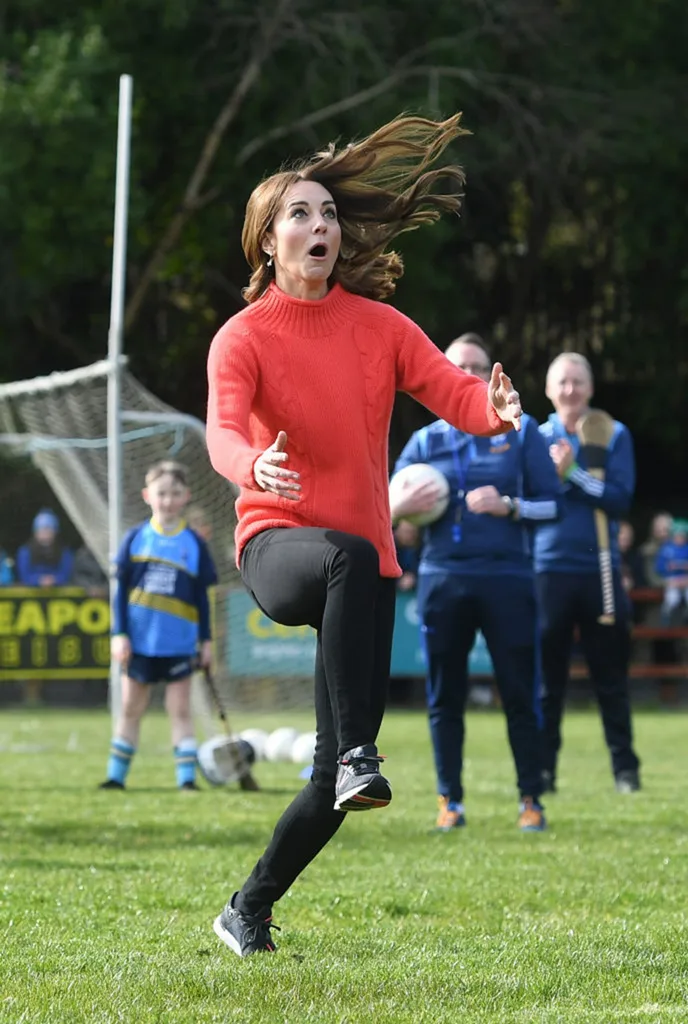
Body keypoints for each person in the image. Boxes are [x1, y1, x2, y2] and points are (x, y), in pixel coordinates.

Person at [205, 114, 523, 957]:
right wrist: (251, 470)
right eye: (300, 215)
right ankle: (358, 753)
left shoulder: (379, 325)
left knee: (332, 788)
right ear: (267, 242)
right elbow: (223, 433)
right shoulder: (242, 337)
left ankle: (248, 908)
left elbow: (455, 395)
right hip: (278, 544)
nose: (321, 226)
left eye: (329, 214)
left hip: (365, 564)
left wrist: (495, 412)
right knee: (355, 729)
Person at [390, 333, 562, 834]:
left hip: (508, 579)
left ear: (494, 373)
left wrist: (508, 506)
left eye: (476, 366)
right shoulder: (426, 441)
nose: (466, 373)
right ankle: (450, 801)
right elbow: (389, 512)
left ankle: (531, 798)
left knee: (518, 692)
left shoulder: (520, 430)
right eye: (456, 366)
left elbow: (553, 505)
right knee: (445, 696)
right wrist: (405, 510)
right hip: (443, 579)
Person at [534, 352, 641, 794]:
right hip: (546, 571)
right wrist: (565, 482)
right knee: (547, 682)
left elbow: (618, 499)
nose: (570, 390)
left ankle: (625, 771)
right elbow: (536, 499)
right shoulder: (533, 436)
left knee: (610, 677)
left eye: (578, 382)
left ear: (591, 388)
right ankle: (542, 772)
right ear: (548, 389)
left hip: (600, 571)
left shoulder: (614, 434)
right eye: (562, 382)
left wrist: (573, 473)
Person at [99, 460, 217, 792]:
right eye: (161, 493)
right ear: (147, 495)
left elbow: (202, 599)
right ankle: (115, 777)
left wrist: (205, 641)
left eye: (174, 493)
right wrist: (119, 633)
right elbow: (120, 593)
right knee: (130, 708)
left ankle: (186, 780)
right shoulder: (135, 538)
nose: (167, 500)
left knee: (179, 710)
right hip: (138, 643)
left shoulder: (193, 543)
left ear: (186, 497)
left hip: (179, 643)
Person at [15, 509, 73, 586]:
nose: (45, 534)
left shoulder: (64, 552)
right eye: (41, 530)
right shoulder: (25, 552)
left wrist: (54, 579)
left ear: (55, 533)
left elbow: (67, 574)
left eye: (48, 530)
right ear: (35, 533)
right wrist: (38, 580)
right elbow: (24, 575)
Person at [655, 519, 688, 624]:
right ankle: (666, 616)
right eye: (678, 535)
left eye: (683, 535)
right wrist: (668, 568)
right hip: (671, 580)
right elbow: (659, 567)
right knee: (672, 598)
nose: (680, 538)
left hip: (686, 580)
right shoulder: (666, 549)